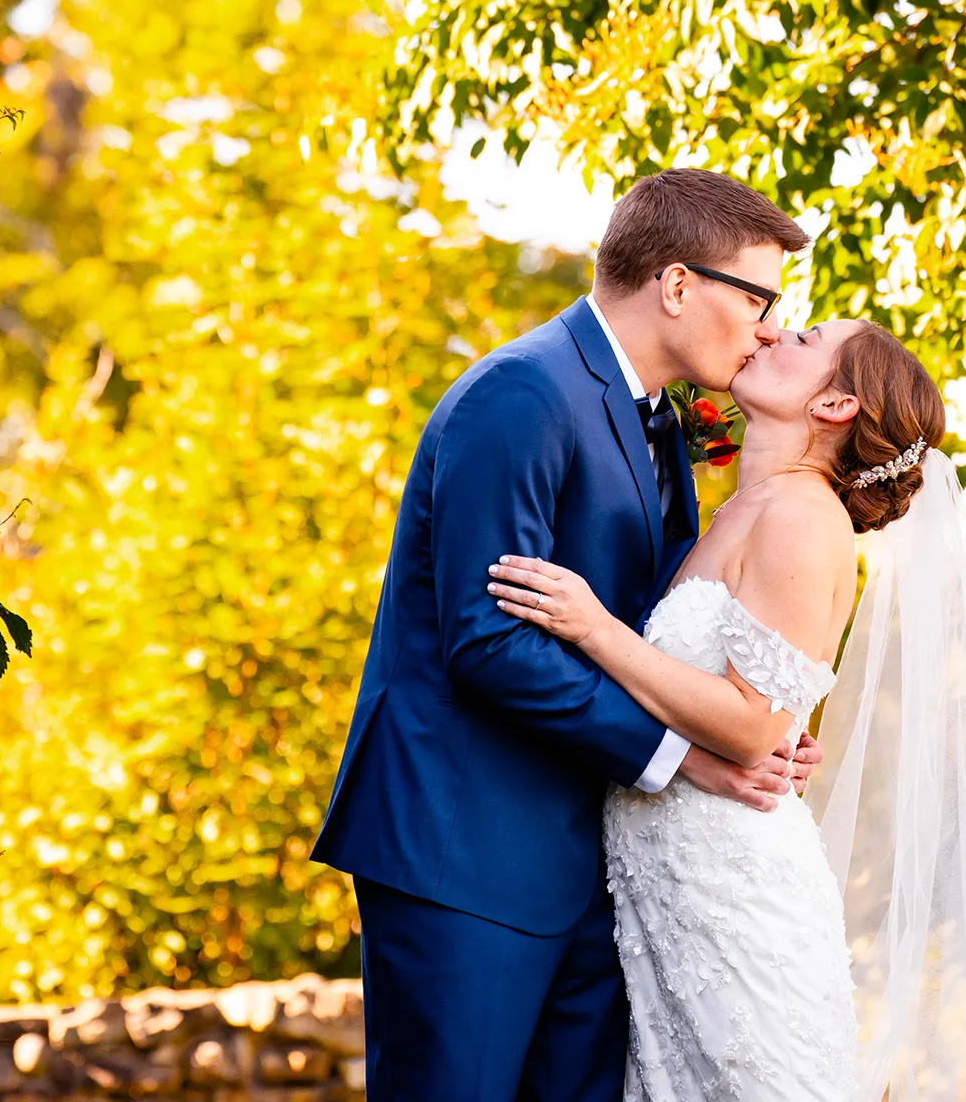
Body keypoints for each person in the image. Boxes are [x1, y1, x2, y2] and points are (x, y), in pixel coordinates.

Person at [311, 169, 817, 1100]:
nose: (771, 328)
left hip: (592, 867)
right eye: (759, 297)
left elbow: (650, 627)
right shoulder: (523, 394)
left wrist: (749, 716)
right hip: (465, 851)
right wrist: (686, 756)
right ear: (676, 285)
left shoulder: (659, 424)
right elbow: (489, 644)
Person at [487, 321, 966, 1100]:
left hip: (734, 897)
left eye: (799, 337)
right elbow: (756, 701)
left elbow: (749, 726)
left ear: (833, 403)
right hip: (667, 887)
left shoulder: (801, 519)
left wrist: (593, 628)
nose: (768, 333)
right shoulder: (742, 508)